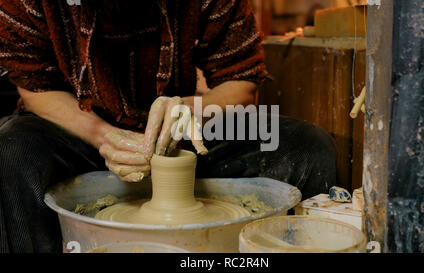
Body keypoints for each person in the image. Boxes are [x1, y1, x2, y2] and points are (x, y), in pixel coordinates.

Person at [0, 0, 336, 253]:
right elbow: (35, 88)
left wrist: (189, 109)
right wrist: (104, 136)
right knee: (11, 152)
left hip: (184, 131)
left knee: (306, 145)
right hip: (80, 131)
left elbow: (241, 81)